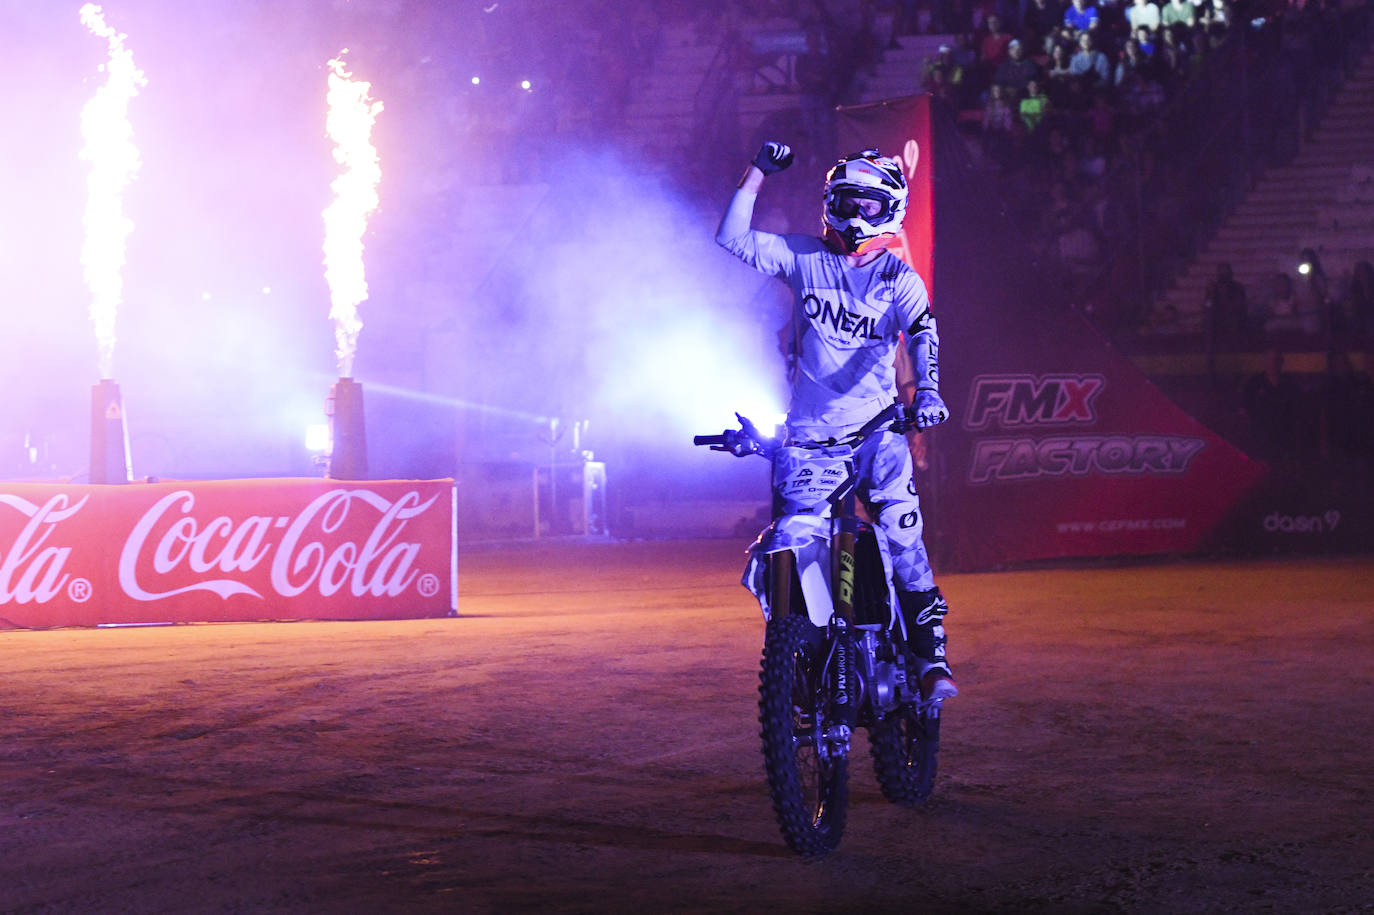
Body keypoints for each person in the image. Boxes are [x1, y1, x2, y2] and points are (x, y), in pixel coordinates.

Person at [715, 142, 958, 701]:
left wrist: (928, 392)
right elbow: (732, 238)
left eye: (869, 206)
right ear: (828, 203)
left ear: (891, 208)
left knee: (902, 538)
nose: (856, 215)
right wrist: (756, 174)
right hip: (809, 438)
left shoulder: (899, 279)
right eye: (846, 202)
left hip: (878, 431)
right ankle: (799, 640)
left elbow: (922, 334)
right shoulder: (804, 257)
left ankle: (929, 658)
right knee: (788, 539)